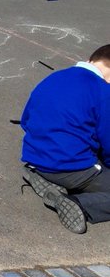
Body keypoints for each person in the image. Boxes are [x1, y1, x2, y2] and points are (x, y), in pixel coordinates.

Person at [20, 44, 110, 234]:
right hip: (71, 166)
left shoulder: (54, 77)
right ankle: (79, 204)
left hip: (35, 155)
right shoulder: (103, 91)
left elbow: (26, 119)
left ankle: (42, 176)